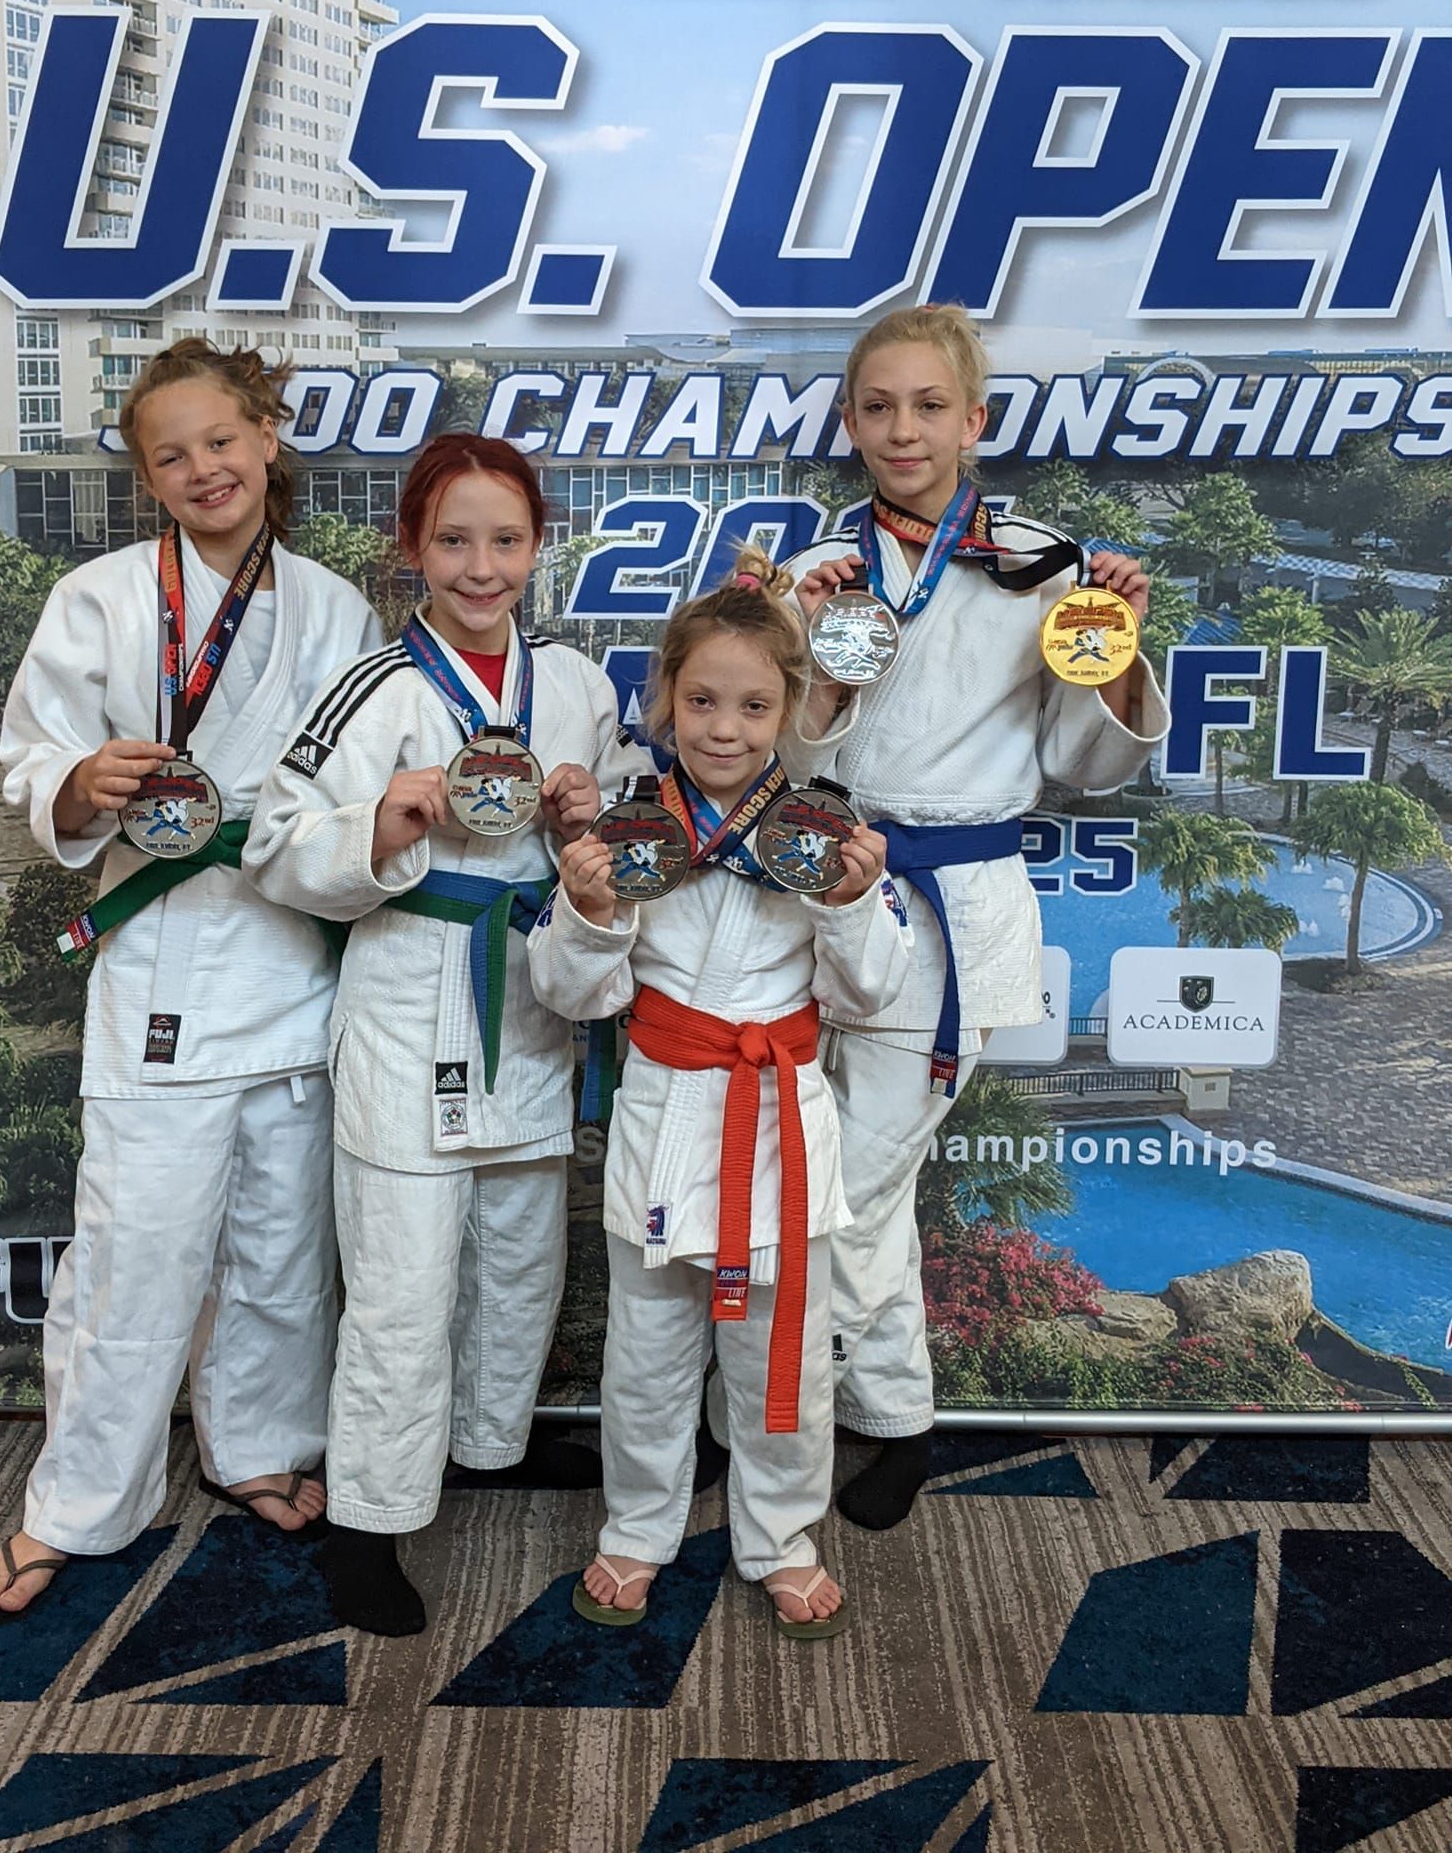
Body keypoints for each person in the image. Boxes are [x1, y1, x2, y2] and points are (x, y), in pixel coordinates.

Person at [0, 340, 381, 1624]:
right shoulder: (98, 597)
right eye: (171, 453)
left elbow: (358, 786)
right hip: (163, 962)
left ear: (267, 436)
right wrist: (76, 787)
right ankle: (80, 1502)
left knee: (277, 1245)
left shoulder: (336, 609)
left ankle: (254, 1441)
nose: (202, 467)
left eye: (221, 438)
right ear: (147, 475)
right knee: (133, 1254)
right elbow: (34, 751)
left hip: (299, 963)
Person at [243, 432, 641, 1638]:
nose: (481, 566)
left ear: (537, 546)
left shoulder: (570, 681)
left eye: (505, 540)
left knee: (521, 1262)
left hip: (530, 994)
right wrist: (382, 819)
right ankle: (368, 1518)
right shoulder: (374, 687)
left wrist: (593, 807)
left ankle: (487, 1444)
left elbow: (623, 808)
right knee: (404, 1285)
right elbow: (272, 842)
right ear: (410, 547)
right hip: (413, 995)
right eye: (454, 540)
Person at [783, 304, 1170, 1531]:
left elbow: (1082, 763)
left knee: (855, 1177)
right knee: (826, 1170)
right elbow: (770, 744)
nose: (904, 429)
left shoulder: (1051, 569)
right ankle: (884, 1417)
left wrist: (1114, 655)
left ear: (975, 420)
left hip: (956, 905)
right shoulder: (813, 567)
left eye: (929, 406)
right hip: (815, 876)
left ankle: (822, 1415)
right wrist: (821, 663)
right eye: (879, 406)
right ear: (849, 422)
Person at [528, 552, 911, 1638]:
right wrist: (591, 907)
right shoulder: (632, 831)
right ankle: (637, 1530)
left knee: (780, 1348)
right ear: (663, 702)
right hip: (666, 1109)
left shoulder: (823, 838)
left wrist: (850, 900)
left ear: (791, 709)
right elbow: (571, 991)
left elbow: (871, 988)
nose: (725, 728)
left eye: (753, 704)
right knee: (647, 1357)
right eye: (700, 700)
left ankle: (780, 1534)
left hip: (783, 1117)